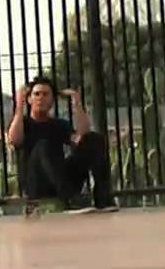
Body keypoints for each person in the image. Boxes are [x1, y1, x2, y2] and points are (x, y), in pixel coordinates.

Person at [7, 75, 118, 211]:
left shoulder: (58, 124)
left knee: (94, 139)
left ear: (52, 100)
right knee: (43, 146)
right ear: (29, 99)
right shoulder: (22, 122)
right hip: (36, 183)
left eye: (45, 94)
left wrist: (77, 103)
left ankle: (103, 198)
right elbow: (14, 140)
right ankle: (71, 199)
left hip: (60, 178)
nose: (41, 98)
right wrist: (19, 105)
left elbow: (82, 137)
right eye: (36, 94)